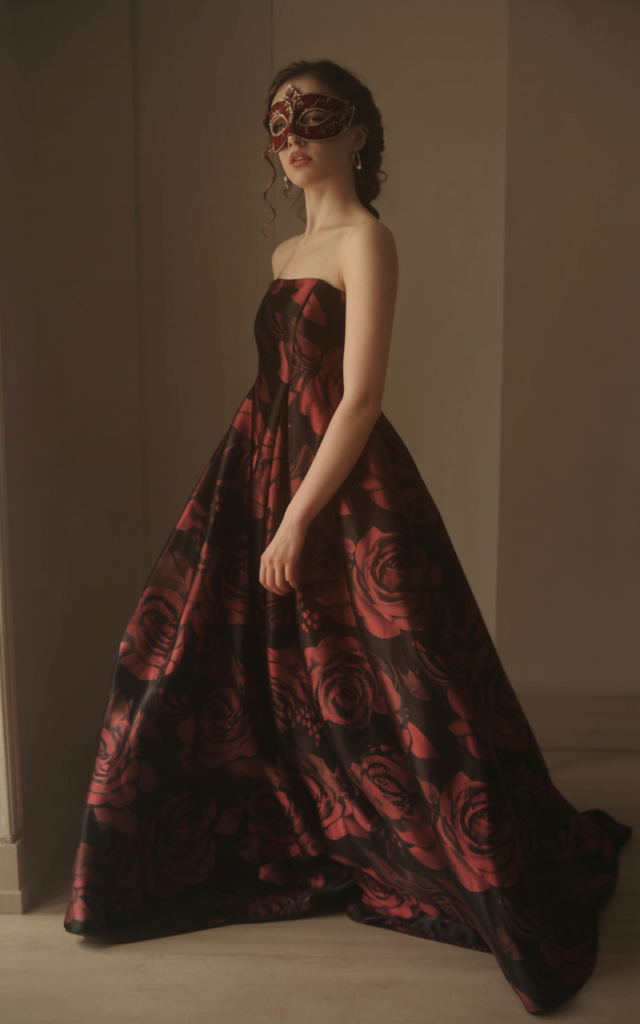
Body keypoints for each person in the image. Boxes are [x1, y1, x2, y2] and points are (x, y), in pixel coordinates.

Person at [63, 58, 632, 1015]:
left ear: (360, 131)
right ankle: (267, 830)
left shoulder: (368, 240)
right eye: (276, 119)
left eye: (313, 115)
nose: (290, 134)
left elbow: (361, 398)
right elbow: (277, 387)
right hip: (259, 464)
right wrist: (260, 498)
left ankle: (459, 847)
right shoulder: (284, 255)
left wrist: (296, 517)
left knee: (407, 678)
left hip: (338, 481)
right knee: (204, 660)